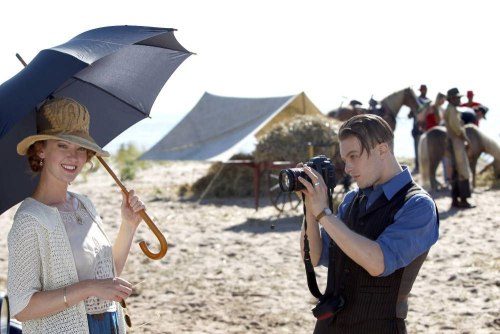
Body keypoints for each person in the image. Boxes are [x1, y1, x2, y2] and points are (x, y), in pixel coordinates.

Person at [7, 97, 146, 333]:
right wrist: (88, 288)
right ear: (41, 149)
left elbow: (107, 274)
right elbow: (21, 307)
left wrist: (129, 225)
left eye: (81, 147)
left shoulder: (85, 205)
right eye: (63, 145)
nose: (74, 157)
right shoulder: (30, 219)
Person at [298, 114, 439, 333]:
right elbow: (315, 255)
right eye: (345, 160)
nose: (347, 169)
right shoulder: (352, 200)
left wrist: (324, 214)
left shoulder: (418, 206)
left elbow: (378, 263)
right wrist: (310, 207)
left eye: (354, 156)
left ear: (382, 150)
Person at [443, 88, 474, 209]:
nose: (459, 100)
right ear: (452, 99)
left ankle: (455, 199)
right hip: (456, 142)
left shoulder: (450, 109)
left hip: (452, 141)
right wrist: (466, 139)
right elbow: (457, 128)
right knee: (462, 170)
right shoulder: (452, 110)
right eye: (457, 98)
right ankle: (464, 200)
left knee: (455, 171)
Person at [409, 84, 430, 173]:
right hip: (417, 129)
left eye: (424, 89)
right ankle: (418, 167)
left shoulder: (429, 101)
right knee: (418, 149)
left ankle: (425, 167)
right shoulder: (416, 101)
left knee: (426, 149)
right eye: (422, 90)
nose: (423, 91)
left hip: (427, 129)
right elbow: (409, 115)